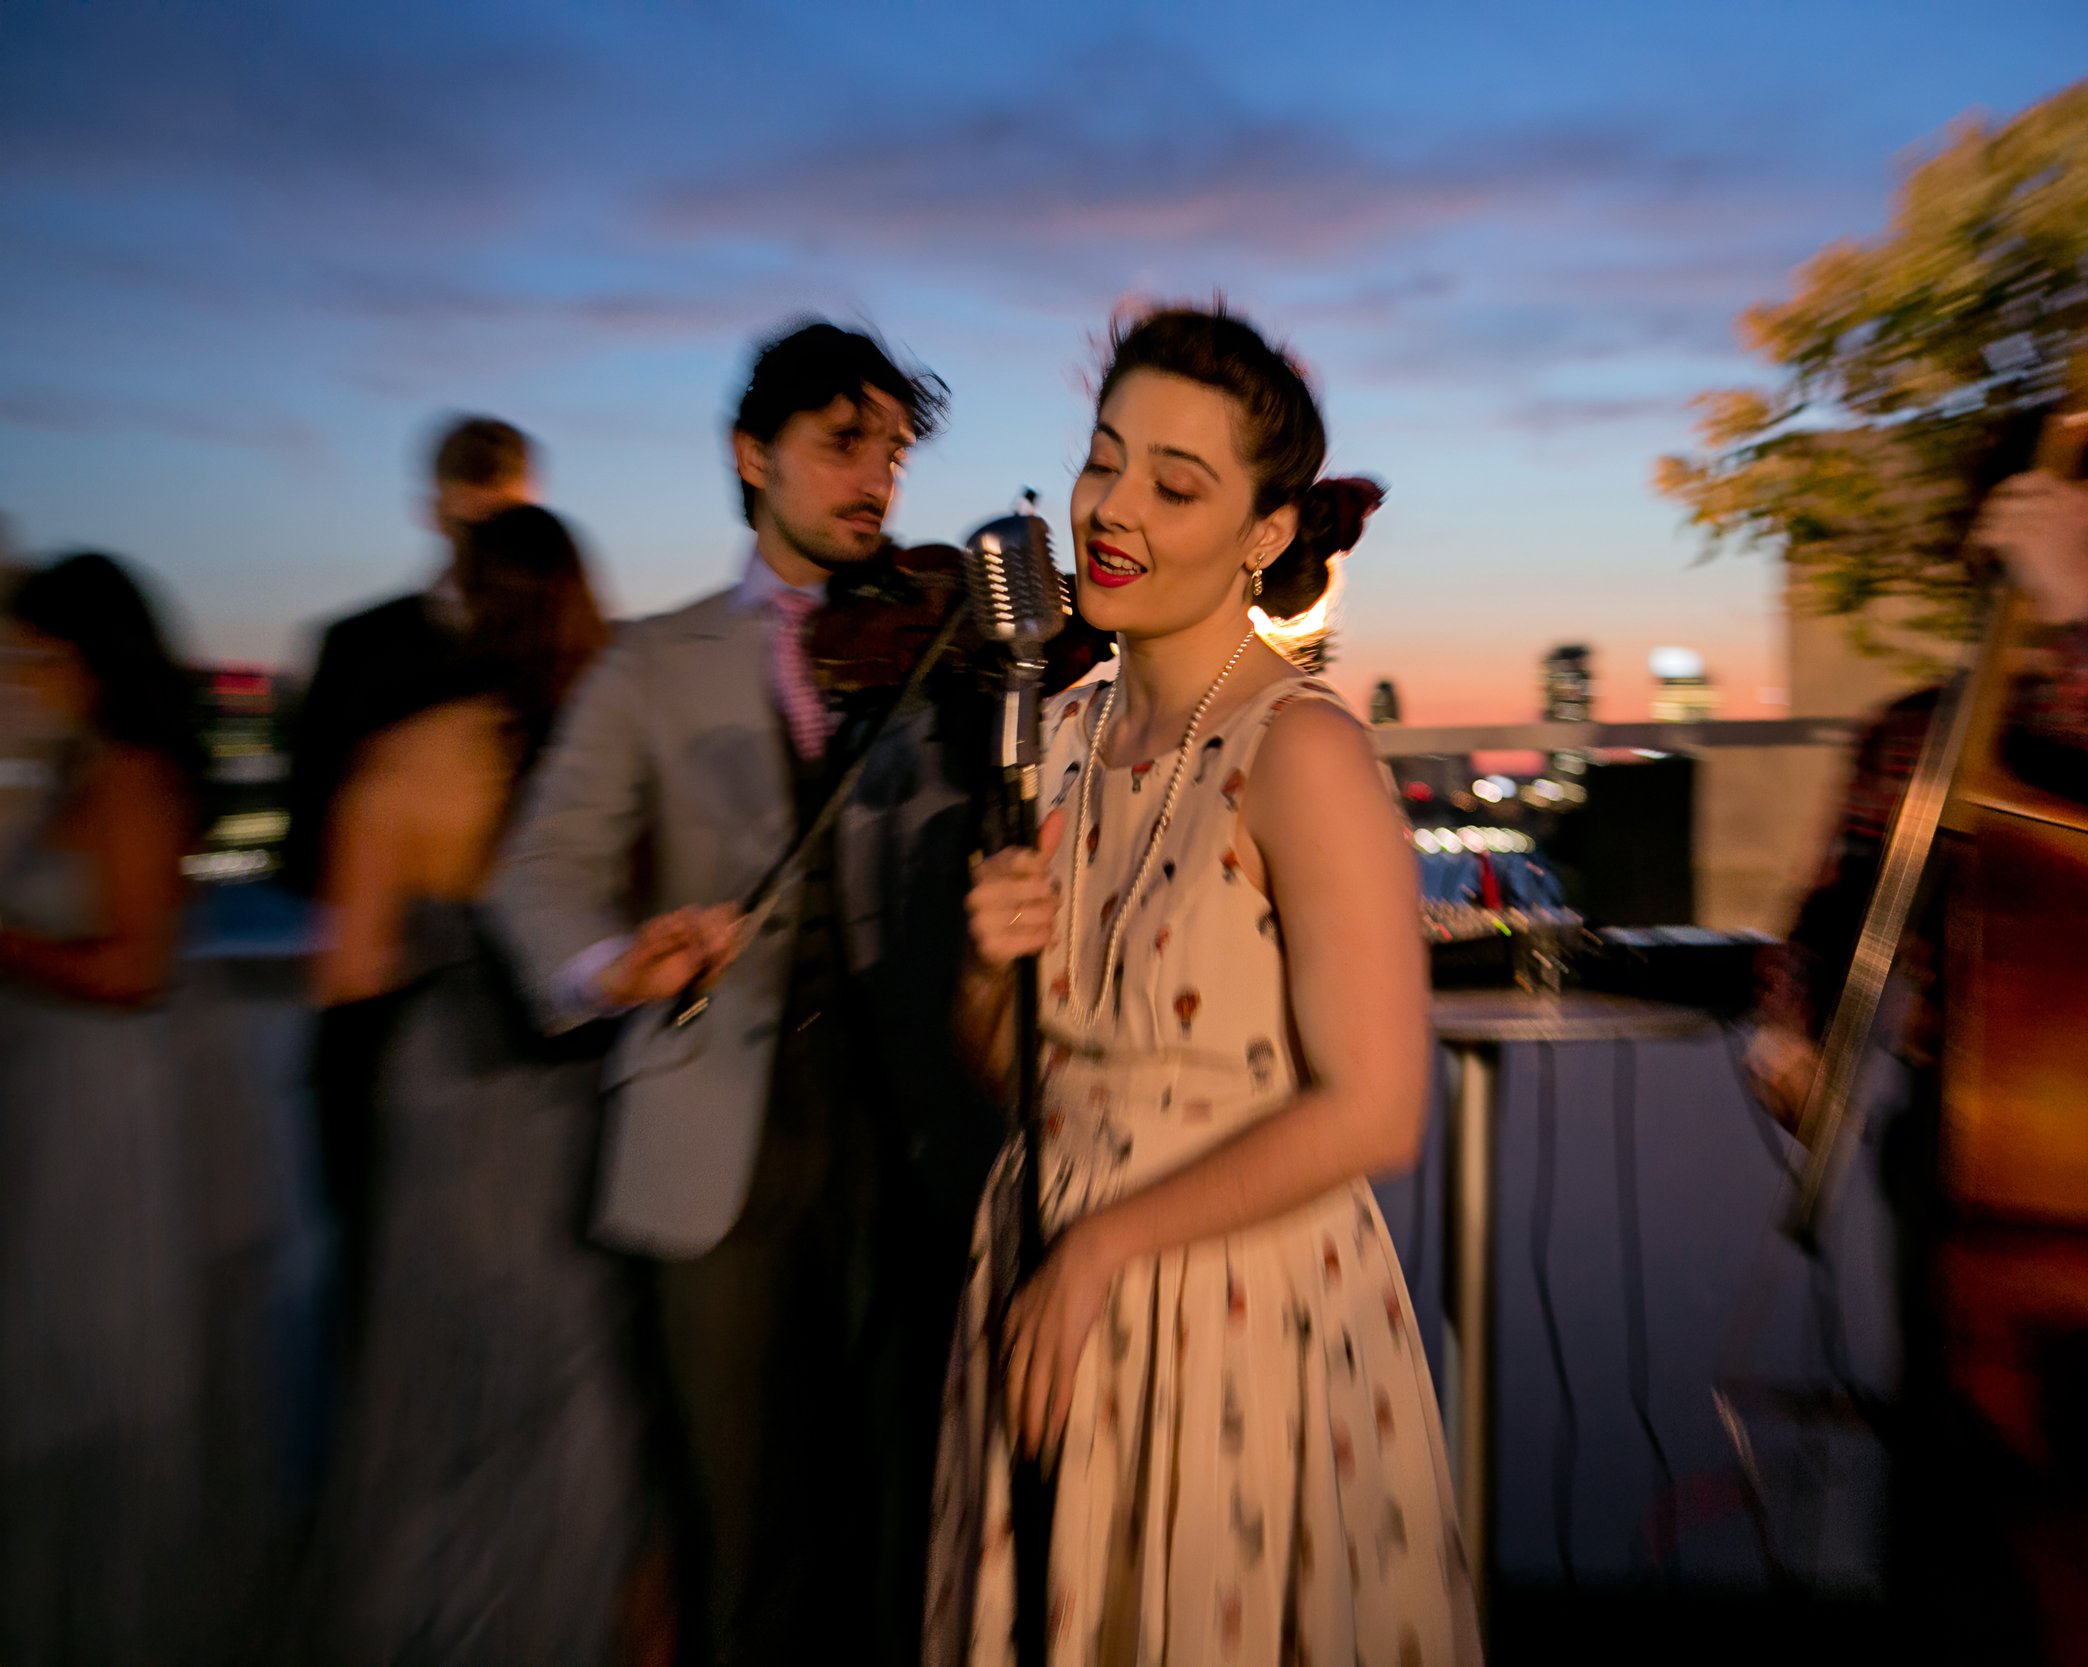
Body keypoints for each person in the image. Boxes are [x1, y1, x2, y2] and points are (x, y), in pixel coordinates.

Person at [926, 306, 1480, 1667]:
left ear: (1265, 531)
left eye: (1175, 484)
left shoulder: (1304, 752)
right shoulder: (1049, 736)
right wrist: (983, 965)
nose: (1111, 509)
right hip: (1049, 1287)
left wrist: (1110, 1245)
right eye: (1103, 459)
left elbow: (1374, 1111)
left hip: (1236, 1315)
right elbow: (1009, 1069)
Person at [490, 319, 1002, 1664]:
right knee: (743, 1543)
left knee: (914, 1522)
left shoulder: (944, 653)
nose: (878, 476)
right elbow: (536, 874)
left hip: (911, 1136)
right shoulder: (648, 662)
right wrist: (614, 961)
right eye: (845, 442)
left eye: (893, 448)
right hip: (713, 1141)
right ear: (750, 455)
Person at [1744, 425, 2088, 1663]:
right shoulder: (1913, 731)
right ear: (1991, 545)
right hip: (1949, 1138)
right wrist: (1788, 1025)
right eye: (2077, 536)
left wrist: (2070, 619)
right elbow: (1826, 906)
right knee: (1947, 1473)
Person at [291, 505, 664, 1664]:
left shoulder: (399, 763)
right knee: (580, 1399)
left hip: (437, 1121)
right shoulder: (609, 770)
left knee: (428, 1416)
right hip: (572, 1115)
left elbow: (347, 987)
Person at [0, 552, 212, 1664]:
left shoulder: (130, 774)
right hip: (54, 1095)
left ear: (86, 656)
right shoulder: (78, 767)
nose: (26, 672)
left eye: (39, 652)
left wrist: (4, 943)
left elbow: (136, 967)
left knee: (82, 1372)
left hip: (95, 1106)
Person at [291, 415, 536, 1350]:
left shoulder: (564, 651)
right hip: (381, 1027)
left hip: (523, 1041)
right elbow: (312, 847)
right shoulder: (357, 647)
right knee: (378, 1309)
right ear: (433, 507)